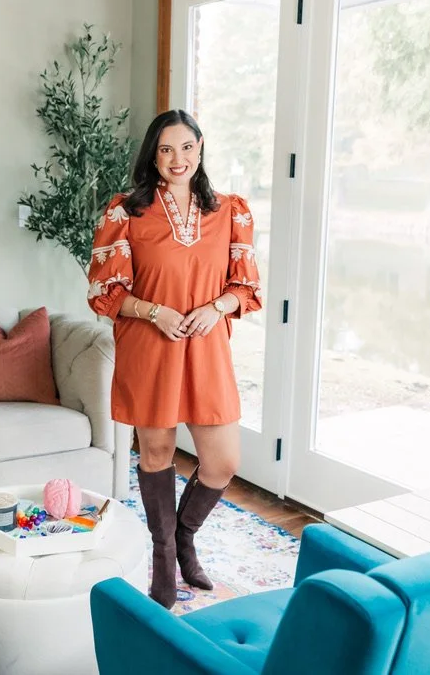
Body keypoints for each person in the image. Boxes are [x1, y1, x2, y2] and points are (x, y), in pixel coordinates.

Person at [87, 109, 262, 608]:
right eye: (166, 149)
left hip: (206, 347)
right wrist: (153, 311)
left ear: (201, 149)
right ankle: (164, 555)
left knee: (223, 460)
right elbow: (104, 291)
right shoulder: (125, 211)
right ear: (153, 154)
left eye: (186, 147)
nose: (177, 159)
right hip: (151, 346)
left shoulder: (232, 210)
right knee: (158, 454)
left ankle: (185, 537)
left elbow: (245, 286)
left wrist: (217, 307)